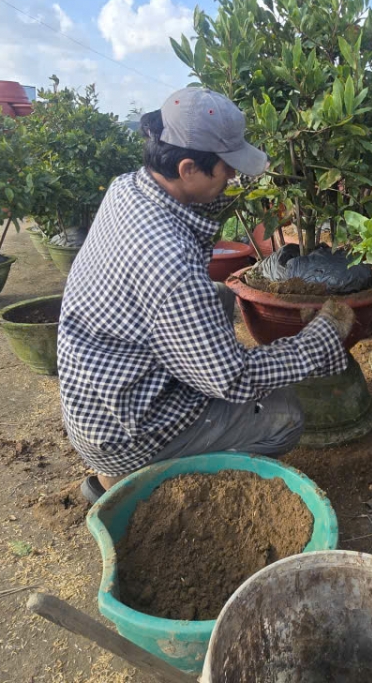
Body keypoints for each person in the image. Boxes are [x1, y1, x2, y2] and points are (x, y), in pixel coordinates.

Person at [57, 87, 354, 502]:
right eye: (226, 168)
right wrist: (320, 339)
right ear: (187, 168)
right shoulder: (168, 263)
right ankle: (150, 491)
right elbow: (233, 379)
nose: (233, 177)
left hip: (96, 401)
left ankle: (112, 482)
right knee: (283, 415)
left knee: (216, 299)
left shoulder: (128, 188)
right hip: (126, 433)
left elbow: (188, 242)